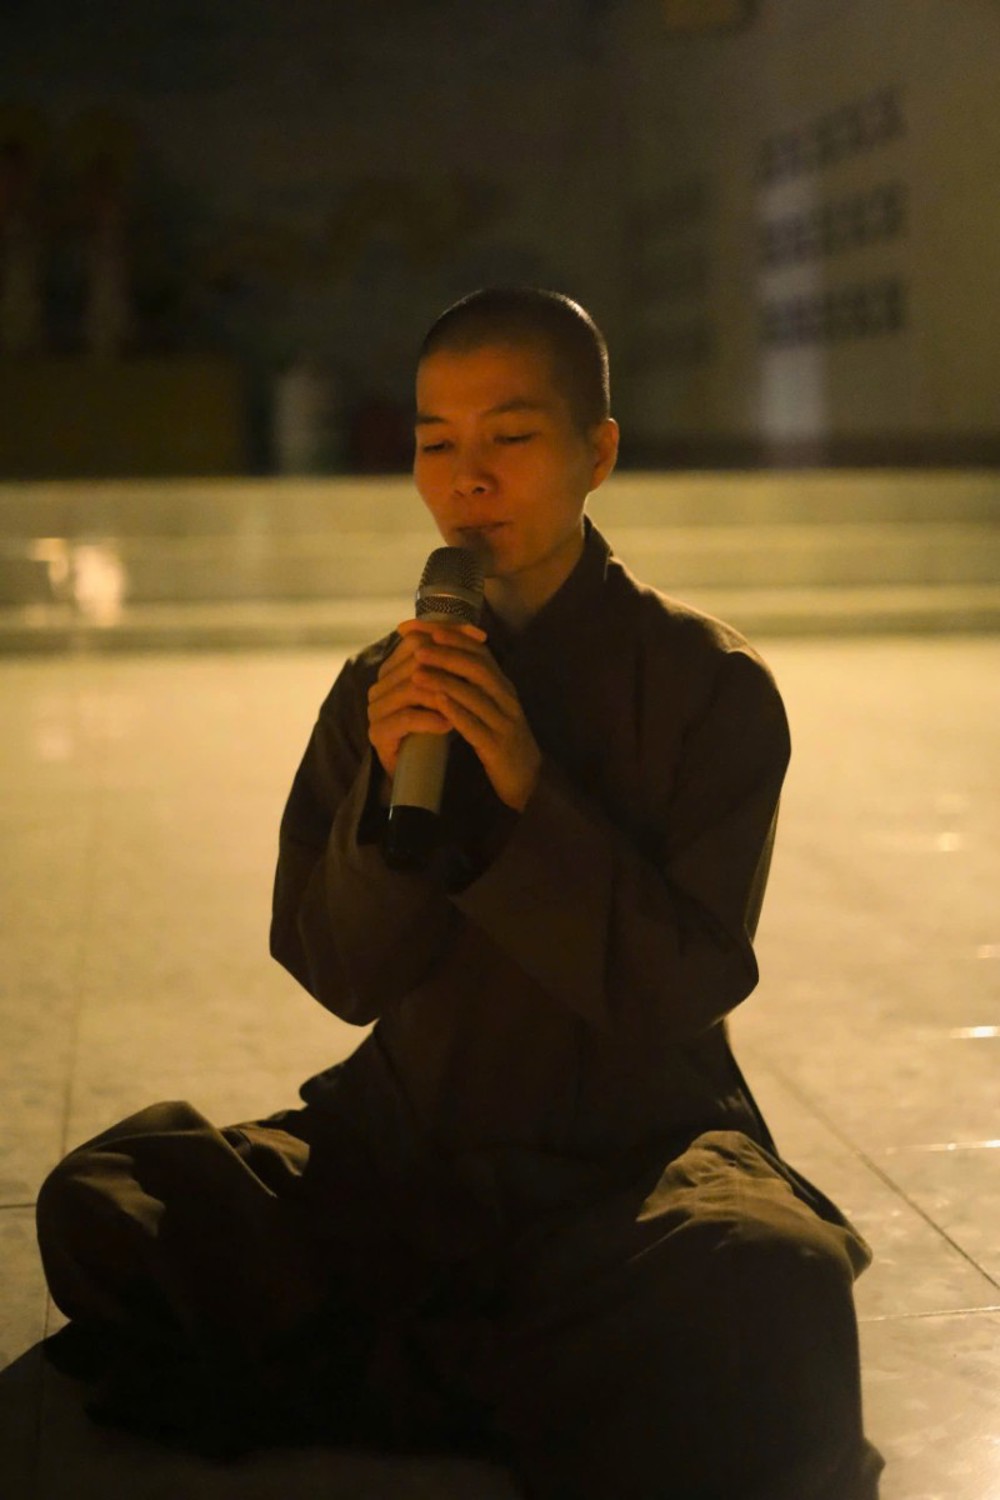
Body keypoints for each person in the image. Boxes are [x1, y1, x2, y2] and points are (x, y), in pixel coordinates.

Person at [36, 287, 884, 1499]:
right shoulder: (380, 688)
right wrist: (392, 784)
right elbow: (340, 975)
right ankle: (513, 1379)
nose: (466, 477)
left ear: (598, 452)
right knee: (107, 1202)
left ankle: (389, 1370)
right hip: (407, 1145)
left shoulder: (709, 684)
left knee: (765, 1282)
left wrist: (532, 794)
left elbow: (678, 990)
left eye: (511, 435)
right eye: (435, 442)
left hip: (631, 1159)